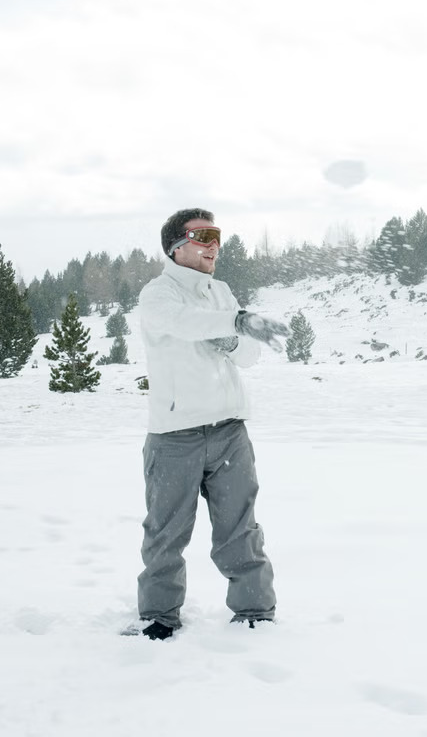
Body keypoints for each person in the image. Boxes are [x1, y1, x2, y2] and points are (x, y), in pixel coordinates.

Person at [133, 208, 291, 641]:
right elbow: (182, 322)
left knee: (241, 529)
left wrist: (231, 338)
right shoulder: (158, 294)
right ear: (175, 247)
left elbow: (249, 355)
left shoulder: (221, 292)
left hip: (229, 432)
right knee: (166, 533)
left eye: (217, 235)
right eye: (203, 236)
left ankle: (255, 612)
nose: (214, 245)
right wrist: (234, 323)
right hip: (174, 435)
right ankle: (159, 616)